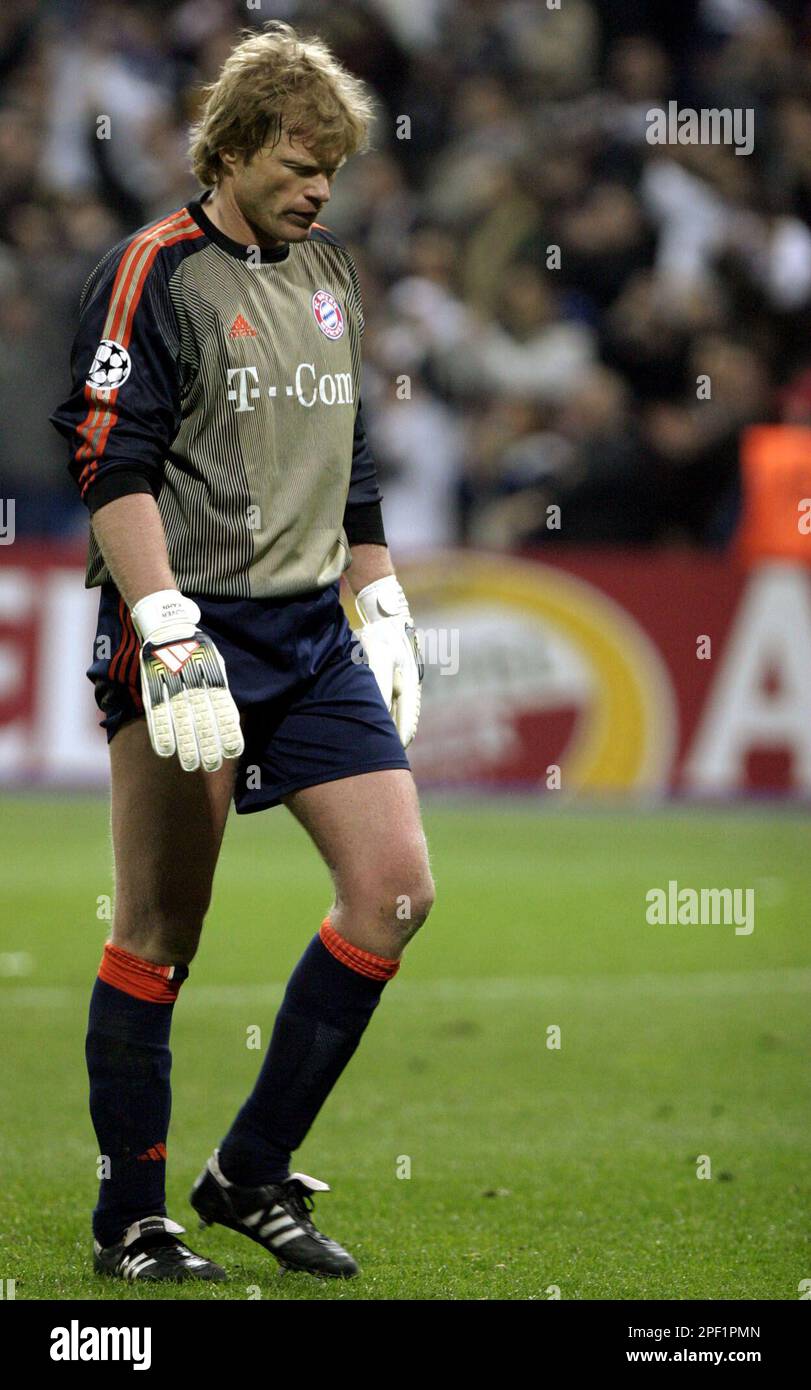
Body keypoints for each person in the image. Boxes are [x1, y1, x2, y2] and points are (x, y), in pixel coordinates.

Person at [50, 20, 433, 1284]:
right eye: (298, 156)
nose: (319, 182)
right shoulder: (155, 270)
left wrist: (378, 601)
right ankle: (132, 1223)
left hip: (311, 634)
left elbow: (349, 451)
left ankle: (249, 1173)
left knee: (394, 893)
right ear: (230, 145)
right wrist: (162, 626)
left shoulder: (330, 269)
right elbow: (111, 462)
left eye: (332, 161)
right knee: (161, 929)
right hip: (189, 628)